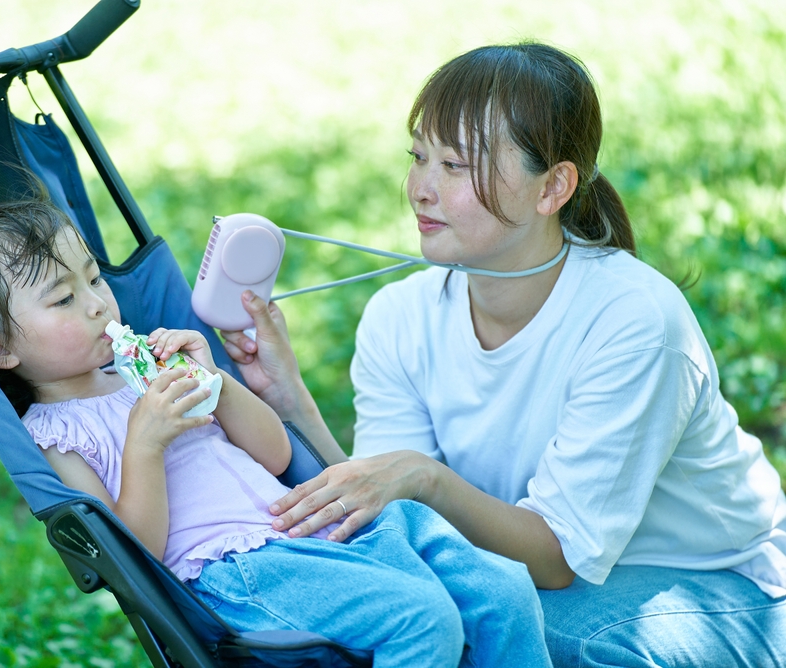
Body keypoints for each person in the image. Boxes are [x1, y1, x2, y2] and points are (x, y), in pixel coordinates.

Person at [220, 41, 786, 667]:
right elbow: (395, 514)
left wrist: (423, 476)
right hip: (536, 575)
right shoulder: (399, 317)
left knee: (518, 629)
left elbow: (554, 558)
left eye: (456, 165)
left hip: (723, 588)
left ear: (553, 187)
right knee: (423, 608)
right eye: (418, 157)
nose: (421, 190)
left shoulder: (633, 321)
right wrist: (289, 402)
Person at [0, 191, 553, 667]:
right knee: (420, 619)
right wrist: (144, 441)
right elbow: (131, 556)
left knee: (503, 589)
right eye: (62, 299)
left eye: (93, 278)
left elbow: (276, 451)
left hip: (311, 515)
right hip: (241, 568)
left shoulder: (149, 364)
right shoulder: (55, 434)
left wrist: (217, 385)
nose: (96, 303)